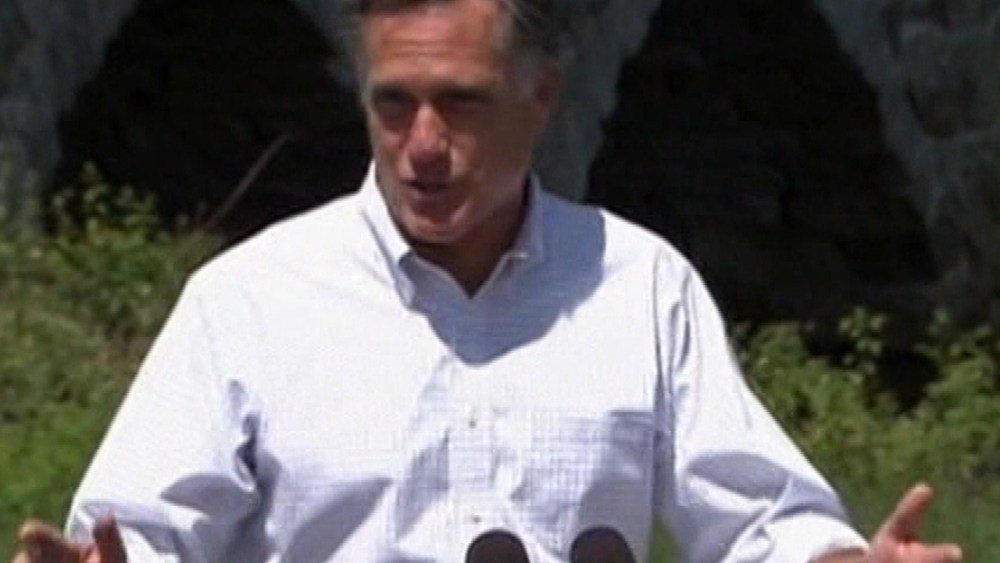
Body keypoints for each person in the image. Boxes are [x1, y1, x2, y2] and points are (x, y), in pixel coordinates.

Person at [12, 1, 964, 562]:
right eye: (394, 104)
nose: (423, 145)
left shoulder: (640, 287)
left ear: (541, 96)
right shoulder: (250, 301)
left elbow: (761, 519)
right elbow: (142, 531)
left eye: (461, 104)